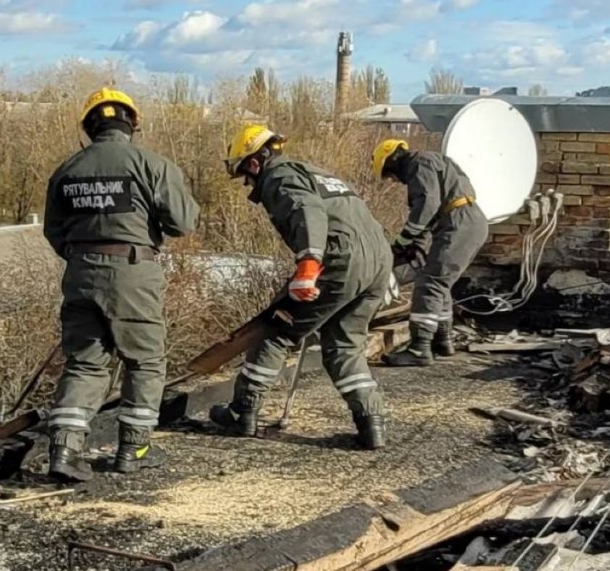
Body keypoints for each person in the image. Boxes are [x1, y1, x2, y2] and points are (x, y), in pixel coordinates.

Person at [42, 87, 200, 480]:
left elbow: (54, 232)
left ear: (88, 126)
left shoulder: (66, 170)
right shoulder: (151, 164)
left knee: (84, 364)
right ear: (132, 123)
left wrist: (85, 257)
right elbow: (183, 223)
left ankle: (64, 448)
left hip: (80, 274)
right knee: (144, 360)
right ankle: (133, 449)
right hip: (133, 272)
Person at [208, 125, 390, 449]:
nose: (248, 184)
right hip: (376, 262)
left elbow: (307, 211)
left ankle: (243, 411)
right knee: (345, 345)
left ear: (253, 163)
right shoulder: (318, 174)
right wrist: (378, 269)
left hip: (336, 261)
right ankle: (371, 422)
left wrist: (309, 261)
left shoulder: (279, 176)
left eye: (245, 176)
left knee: (277, 328)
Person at [370, 139, 489, 367]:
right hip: (465, 221)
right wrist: (414, 245)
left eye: (389, 174)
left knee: (430, 283)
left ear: (393, 159)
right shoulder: (428, 163)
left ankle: (419, 348)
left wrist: (403, 240)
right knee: (439, 282)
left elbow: (427, 206)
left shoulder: (419, 163)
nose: (393, 180)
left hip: (459, 223)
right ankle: (441, 341)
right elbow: (428, 216)